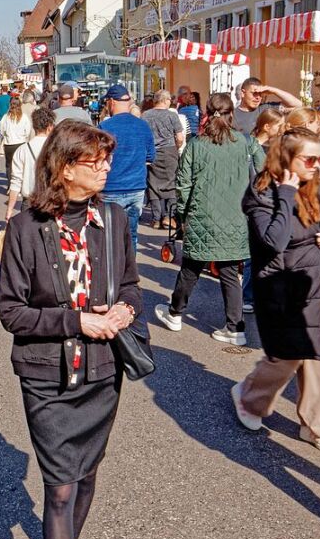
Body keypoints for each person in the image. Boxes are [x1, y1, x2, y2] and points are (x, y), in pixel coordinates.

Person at [0, 119, 142, 539]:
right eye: (95, 161)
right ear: (63, 167)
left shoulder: (115, 218)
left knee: (85, 478)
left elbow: (129, 284)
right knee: (58, 487)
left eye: (107, 159)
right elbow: (11, 311)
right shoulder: (26, 228)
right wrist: (77, 321)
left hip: (102, 374)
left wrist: (126, 309)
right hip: (47, 376)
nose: (106, 168)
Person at [231, 128, 320, 453]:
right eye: (309, 159)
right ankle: (249, 395)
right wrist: (286, 193)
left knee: (318, 355)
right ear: (286, 158)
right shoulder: (263, 192)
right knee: (288, 357)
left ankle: (315, 425)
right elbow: (274, 240)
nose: (316, 165)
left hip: (318, 280)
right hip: (281, 286)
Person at [154, 94, 262, 346]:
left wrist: (182, 214)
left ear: (206, 113)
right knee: (229, 271)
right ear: (231, 113)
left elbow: (183, 183)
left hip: (202, 213)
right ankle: (235, 327)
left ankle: (175, 313)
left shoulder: (196, 144)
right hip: (236, 214)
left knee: (191, 268)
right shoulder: (246, 142)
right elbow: (264, 170)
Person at [98, 84, 156, 249]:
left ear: (111, 102)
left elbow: (97, 158)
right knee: (131, 234)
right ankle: (129, 271)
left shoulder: (105, 127)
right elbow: (151, 157)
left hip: (110, 188)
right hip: (136, 187)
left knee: (109, 236)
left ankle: (112, 272)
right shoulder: (142, 126)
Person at [242, 107, 288, 312]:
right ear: (267, 126)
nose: (282, 129)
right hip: (254, 201)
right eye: (279, 125)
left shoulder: (270, 146)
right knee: (254, 252)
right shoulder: (251, 147)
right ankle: (247, 296)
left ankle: (254, 293)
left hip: (263, 199)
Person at [141, 89, 185, 229]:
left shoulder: (145, 115)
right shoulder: (172, 115)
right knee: (171, 182)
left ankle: (156, 218)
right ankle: (169, 217)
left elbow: (143, 136)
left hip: (152, 151)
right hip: (169, 150)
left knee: (153, 183)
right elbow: (179, 137)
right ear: (166, 100)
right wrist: (176, 147)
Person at [6, 107, 56, 222]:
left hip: (29, 201)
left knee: (28, 238)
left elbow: (16, 182)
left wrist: (9, 209)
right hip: (51, 201)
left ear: (34, 127)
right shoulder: (56, 148)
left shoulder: (22, 150)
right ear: (50, 127)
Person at [233, 77, 301, 136]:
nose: (258, 97)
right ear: (242, 93)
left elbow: (298, 105)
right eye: (254, 93)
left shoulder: (265, 109)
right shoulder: (233, 115)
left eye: (260, 94)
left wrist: (273, 90)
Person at [0, 97, 32, 181]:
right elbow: (28, 131)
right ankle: (19, 185)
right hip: (21, 143)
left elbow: (2, 130)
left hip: (9, 144)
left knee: (9, 165)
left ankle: (10, 184)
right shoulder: (24, 117)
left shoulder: (6, 117)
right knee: (20, 165)